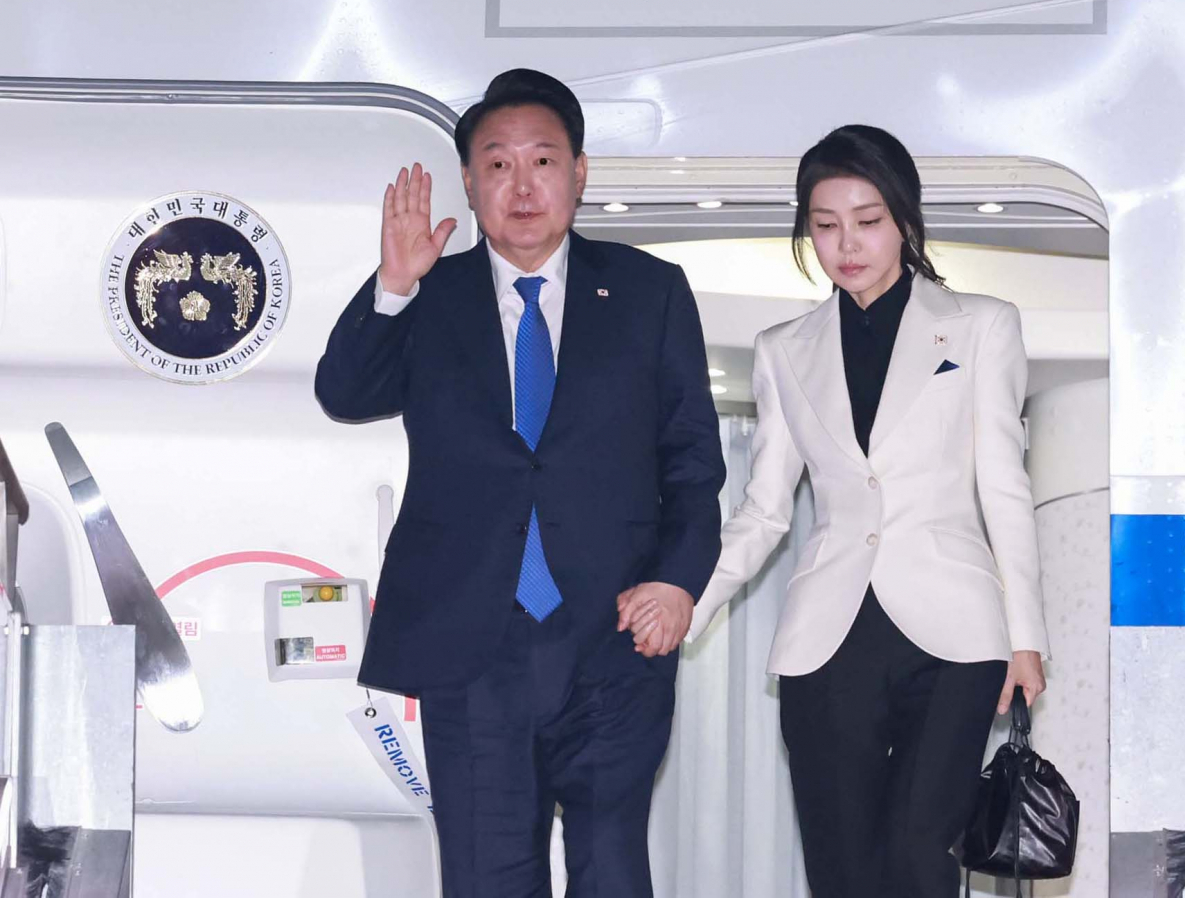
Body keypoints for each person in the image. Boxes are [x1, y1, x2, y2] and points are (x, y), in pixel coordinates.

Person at [315, 68, 725, 898]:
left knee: (613, 870)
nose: (522, 183)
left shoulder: (650, 292)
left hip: (613, 637)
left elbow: (692, 463)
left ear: (579, 172)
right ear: (469, 184)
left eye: (542, 160)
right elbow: (345, 392)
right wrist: (394, 283)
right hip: (473, 644)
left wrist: (680, 581)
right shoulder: (431, 295)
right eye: (497, 165)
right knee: (484, 877)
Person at [643, 124, 1051, 897]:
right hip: (828, 639)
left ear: (904, 217)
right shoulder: (782, 348)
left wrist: (1025, 636)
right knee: (842, 870)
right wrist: (687, 608)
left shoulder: (982, 324)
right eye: (825, 225)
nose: (846, 243)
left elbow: (1006, 487)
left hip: (958, 635)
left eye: (867, 220)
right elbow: (764, 511)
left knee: (917, 855)